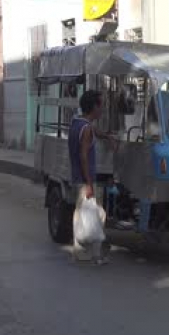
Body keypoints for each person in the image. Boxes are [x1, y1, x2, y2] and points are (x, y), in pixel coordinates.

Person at [69, 90, 116, 265]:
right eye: (101, 105)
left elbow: (92, 130)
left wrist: (106, 135)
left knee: (83, 214)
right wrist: (89, 184)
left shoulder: (77, 122)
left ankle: (82, 252)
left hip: (77, 177)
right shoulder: (86, 128)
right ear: (94, 107)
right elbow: (83, 156)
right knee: (96, 215)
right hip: (85, 179)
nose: (102, 109)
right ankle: (92, 255)